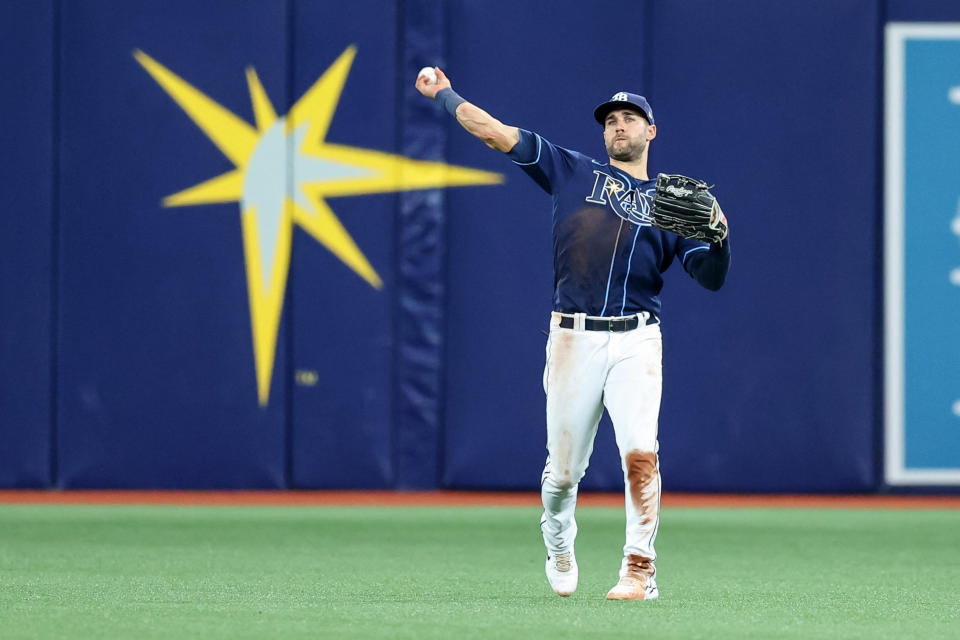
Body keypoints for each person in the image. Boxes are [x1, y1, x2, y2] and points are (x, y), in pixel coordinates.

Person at [415, 69, 730, 601]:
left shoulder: (672, 204)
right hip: (573, 337)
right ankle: (558, 539)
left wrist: (719, 238)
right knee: (562, 476)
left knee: (640, 453)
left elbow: (709, 278)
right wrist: (445, 95)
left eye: (630, 118)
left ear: (651, 131)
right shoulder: (571, 171)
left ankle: (640, 569)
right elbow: (494, 131)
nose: (619, 126)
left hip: (637, 338)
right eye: (611, 120)